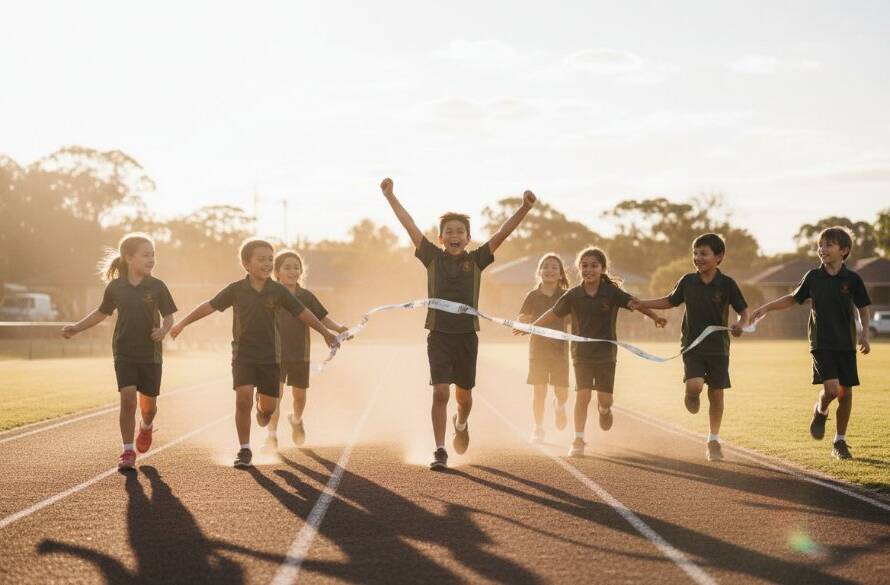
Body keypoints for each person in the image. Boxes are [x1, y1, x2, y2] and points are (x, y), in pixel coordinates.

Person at [379, 177, 536, 470]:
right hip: (438, 335)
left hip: (467, 336)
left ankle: (461, 424)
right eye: (448, 232)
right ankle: (439, 450)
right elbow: (409, 225)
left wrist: (524, 208)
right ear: (440, 238)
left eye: (459, 232)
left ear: (467, 237)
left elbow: (503, 233)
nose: (454, 235)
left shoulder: (477, 259)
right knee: (440, 392)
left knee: (464, 398)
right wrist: (390, 196)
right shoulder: (431, 258)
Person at [170, 239, 338, 468]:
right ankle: (244, 449)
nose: (268, 263)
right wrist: (182, 323)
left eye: (270, 259)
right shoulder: (236, 289)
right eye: (261, 259)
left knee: (267, 411)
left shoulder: (277, 291)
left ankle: (263, 406)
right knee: (242, 400)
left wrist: (326, 332)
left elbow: (303, 313)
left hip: (271, 358)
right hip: (243, 355)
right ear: (246, 263)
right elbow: (209, 306)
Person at [750, 226, 871, 460]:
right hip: (821, 342)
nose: (822, 249)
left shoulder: (853, 279)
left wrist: (864, 335)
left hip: (846, 343)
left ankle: (840, 441)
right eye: (820, 245)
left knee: (846, 394)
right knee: (832, 390)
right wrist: (766, 307)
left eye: (828, 245)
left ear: (844, 250)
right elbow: (793, 299)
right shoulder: (813, 277)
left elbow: (863, 309)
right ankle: (821, 410)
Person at [62, 233, 177, 470]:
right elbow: (101, 313)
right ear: (129, 257)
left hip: (150, 354)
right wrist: (76, 328)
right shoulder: (116, 287)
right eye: (146, 255)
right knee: (127, 400)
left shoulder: (157, 286)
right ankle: (127, 451)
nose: (151, 259)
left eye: (153, 254)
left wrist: (164, 330)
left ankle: (145, 428)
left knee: (149, 407)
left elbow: (169, 317)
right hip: (124, 351)